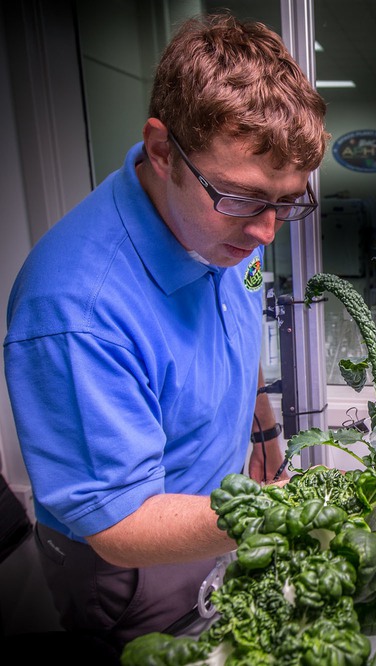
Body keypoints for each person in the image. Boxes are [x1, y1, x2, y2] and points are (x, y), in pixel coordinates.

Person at [2, 12, 329, 655]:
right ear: (161, 150)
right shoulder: (76, 313)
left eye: (288, 202)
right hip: (132, 562)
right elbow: (119, 524)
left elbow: (234, 329)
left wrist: (261, 427)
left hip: (216, 511)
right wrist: (284, 513)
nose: (268, 231)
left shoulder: (223, 227)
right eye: (244, 199)